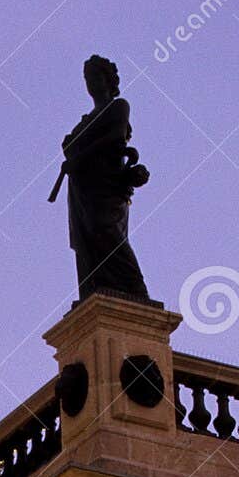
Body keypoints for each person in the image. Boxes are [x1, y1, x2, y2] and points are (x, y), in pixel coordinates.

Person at [58, 55, 149, 300]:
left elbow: (115, 136)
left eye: (95, 76)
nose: (90, 83)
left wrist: (79, 156)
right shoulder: (86, 119)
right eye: (87, 78)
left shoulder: (118, 107)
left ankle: (135, 290)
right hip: (82, 187)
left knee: (106, 229)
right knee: (86, 238)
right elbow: (68, 145)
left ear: (108, 79)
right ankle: (93, 289)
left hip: (106, 183)